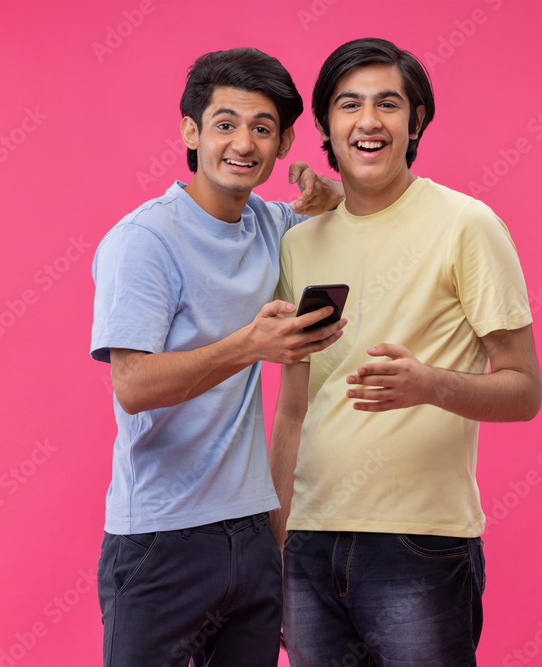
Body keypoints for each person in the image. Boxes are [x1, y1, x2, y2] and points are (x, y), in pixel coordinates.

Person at [270, 37, 542, 666]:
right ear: (325, 126)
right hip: (309, 545)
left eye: (388, 104)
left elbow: (524, 389)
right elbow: (292, 408)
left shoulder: (466, 225)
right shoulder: (300, 242)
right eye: (348, 105)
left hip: (420, 542)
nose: (368, 121)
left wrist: (431, 385)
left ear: (415, 120)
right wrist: (278, 539)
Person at [90, 47, 346, 667]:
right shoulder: (143, 241)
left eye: (262, 128)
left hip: (252, 531)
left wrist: (325, 188)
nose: (243, 143)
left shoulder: (265, 223)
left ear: (283, 143)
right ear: (190, 131)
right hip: (159, 539)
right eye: (225, 123)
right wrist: (250, 347)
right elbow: (133, 385)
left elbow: (334, 206)